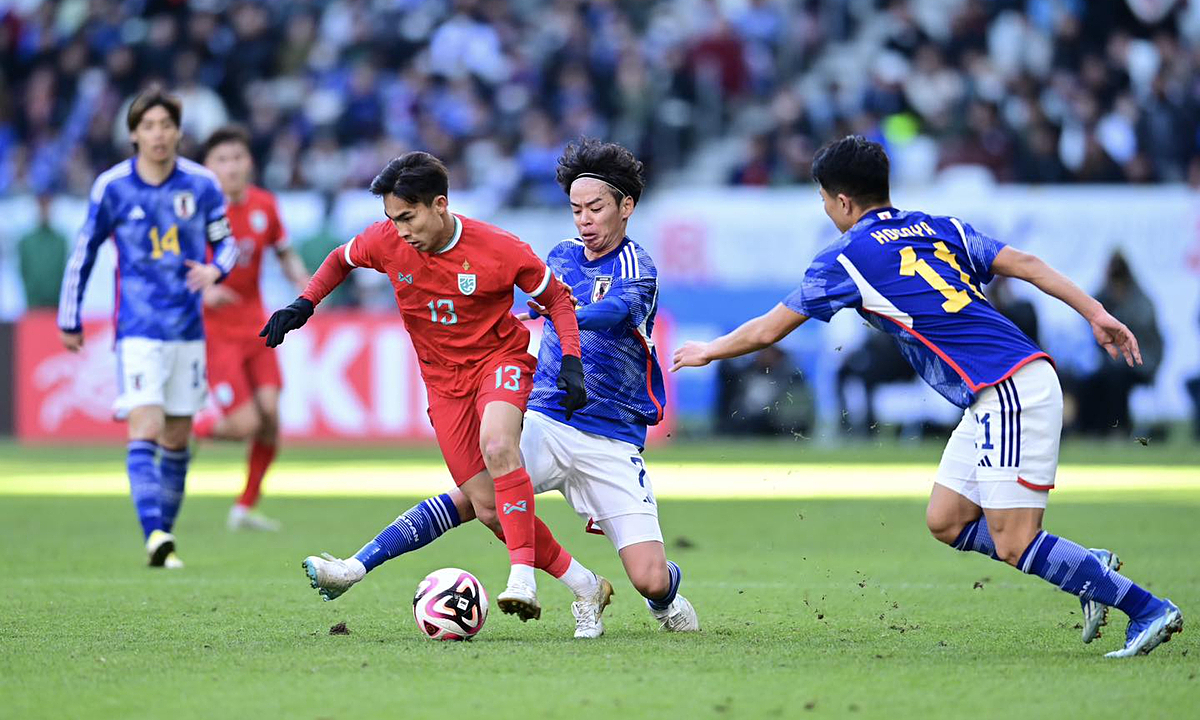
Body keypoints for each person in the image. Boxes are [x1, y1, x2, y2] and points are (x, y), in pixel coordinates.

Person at [672, 135, 1181, 658]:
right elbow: (1026, 263)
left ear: (843, 201)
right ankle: (1083, 568)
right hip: (1002, 386)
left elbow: (767, 330)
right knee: (947, 519)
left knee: (1014, 541)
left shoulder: (847, 257)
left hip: (1006, 386)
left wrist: (710, 349)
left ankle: (1146, 607)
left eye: (824, 199)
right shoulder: (939, 227)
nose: (824, 210)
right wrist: (1095, 312)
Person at [261, 151, 593, 622]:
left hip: (499, 361)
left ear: (440, 205)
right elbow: (340, 259)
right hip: (443, 385)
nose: (399, 230)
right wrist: (305, 303)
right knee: (489, 508)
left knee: (499, 445)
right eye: (391, 219)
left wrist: (572, 362)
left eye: (407, 217)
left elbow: (557, 300)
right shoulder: (387, 241)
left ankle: (522, 578)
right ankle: (585, 584)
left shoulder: (500, 249)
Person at [57, 86, 236, 568]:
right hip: (137, 329)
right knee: (147, 425)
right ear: (133, 133)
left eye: (166, 125)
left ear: (179, 132)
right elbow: (84, 252)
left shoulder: (201, 185)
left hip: (187, 330)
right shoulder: (112, 186)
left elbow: (228, 245)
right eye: (148, 126)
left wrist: (216, 270)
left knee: (178, 438)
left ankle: (162, 534)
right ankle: (156, 534)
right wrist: (69, 316)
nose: (158, 134)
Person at [192, 125, 310, 532]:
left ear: (249, 162)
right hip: (217, 332)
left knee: (272, 416)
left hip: (257, 327)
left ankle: (244, 508)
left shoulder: (265, 204)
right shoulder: (198, 211)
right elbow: (174, 266)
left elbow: (284, 251)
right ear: (208, 167)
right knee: (245, 425)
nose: (231, 166)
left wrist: (303, 281)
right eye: (221, 159)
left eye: (237, 157)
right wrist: (202, 294)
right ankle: (189, 428)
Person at [18, 194, 69, 309]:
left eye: (47, 208)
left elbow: (64, 269)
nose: (44, 212)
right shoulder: (26, 241)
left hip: (56, 302)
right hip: (33, 303)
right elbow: (23, 270)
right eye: (42, 208)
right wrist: (30, 296)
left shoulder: (60, 240)